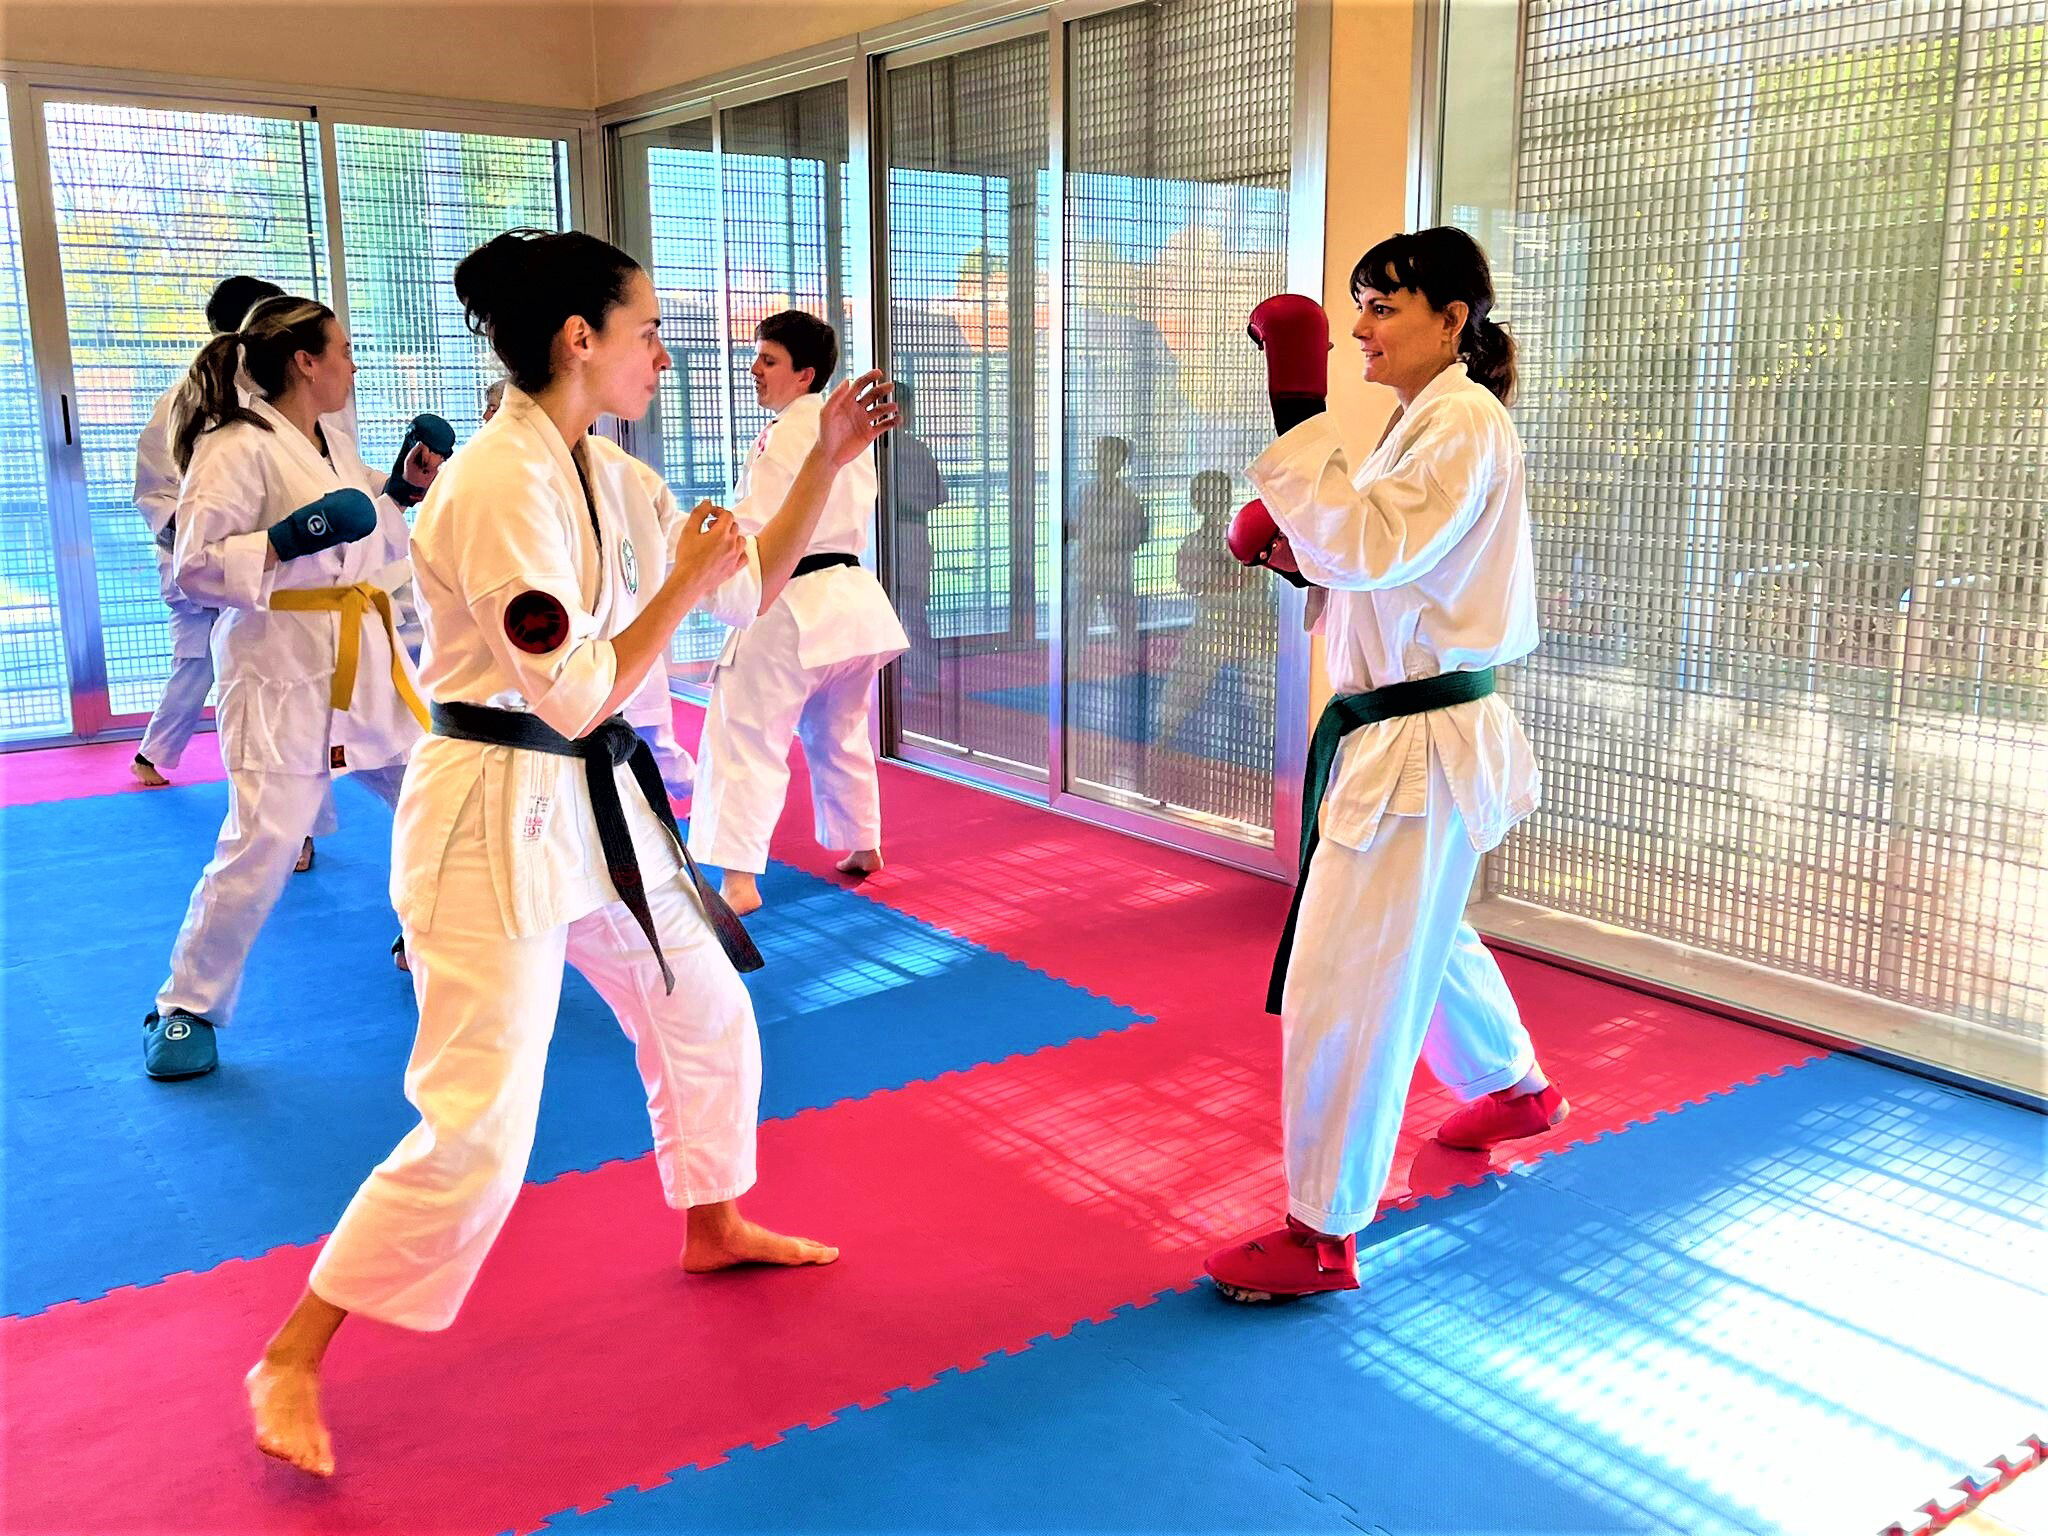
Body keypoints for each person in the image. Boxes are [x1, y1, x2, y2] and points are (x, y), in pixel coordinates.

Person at [245, 230, 898, 1478]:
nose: (663, 349)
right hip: (493, 813)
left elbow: (746, 585)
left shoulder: (607, 472)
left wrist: (821, 461)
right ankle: (292, 1351)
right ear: (577, 340)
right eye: (645, 326)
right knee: (478, 1124)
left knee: (703, 1008)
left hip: (596, 809)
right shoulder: (498, 483)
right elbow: (576, 693)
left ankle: (711, 1221)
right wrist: (685, 577)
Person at [1204, 227, 1567, 1303]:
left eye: (1382, 307)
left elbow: (1365, 547)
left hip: (1416, 737)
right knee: (1419, 928)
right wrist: (1291, 549)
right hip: (1408, 730)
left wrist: (1294, 405)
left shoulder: (1461, 420)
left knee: (1348, 972)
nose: (1359, 328)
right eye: (1354, 308)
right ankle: (1511, 1087)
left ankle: (1320, 1230)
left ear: (1451, 318)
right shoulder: (1430, 421)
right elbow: (1373, 559)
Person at [140, 295, 442, 1081]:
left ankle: (433, 940)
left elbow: (359, 531)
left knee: (435, 802)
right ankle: (186, 1008)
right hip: (277, 662)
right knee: (264, 844)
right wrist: (284, 538)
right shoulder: (233, 445)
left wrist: (401, 492)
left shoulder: (329, 441)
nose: (351, 362)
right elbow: (195, 564)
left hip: (360, 653)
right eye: (341, 349)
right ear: (304, 360)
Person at [686, 310, 908, 917]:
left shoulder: (789, 430)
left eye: (769, 360)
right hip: (851, 604)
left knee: (744, 734)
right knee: (839, 730)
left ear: (805, 374)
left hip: (788, 600)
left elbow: (758, 526)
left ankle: (737, 881)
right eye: (756, 358)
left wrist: (719, 575)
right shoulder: (849, 434)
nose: (754, 371)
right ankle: (864, 843)